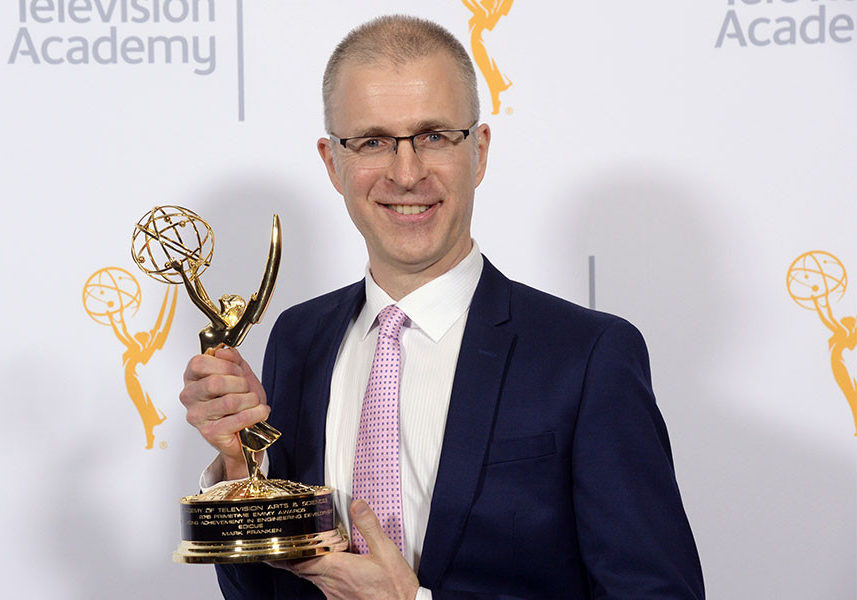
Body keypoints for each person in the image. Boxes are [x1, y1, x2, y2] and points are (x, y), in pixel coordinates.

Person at [180, 15, 705, 600]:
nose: (407, 174)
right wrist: (239, 471)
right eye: (373, 141)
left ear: (478, 152)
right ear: (333, 164)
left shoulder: (588, 357)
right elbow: (265, 593)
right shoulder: (297, 339)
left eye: (433, 135)